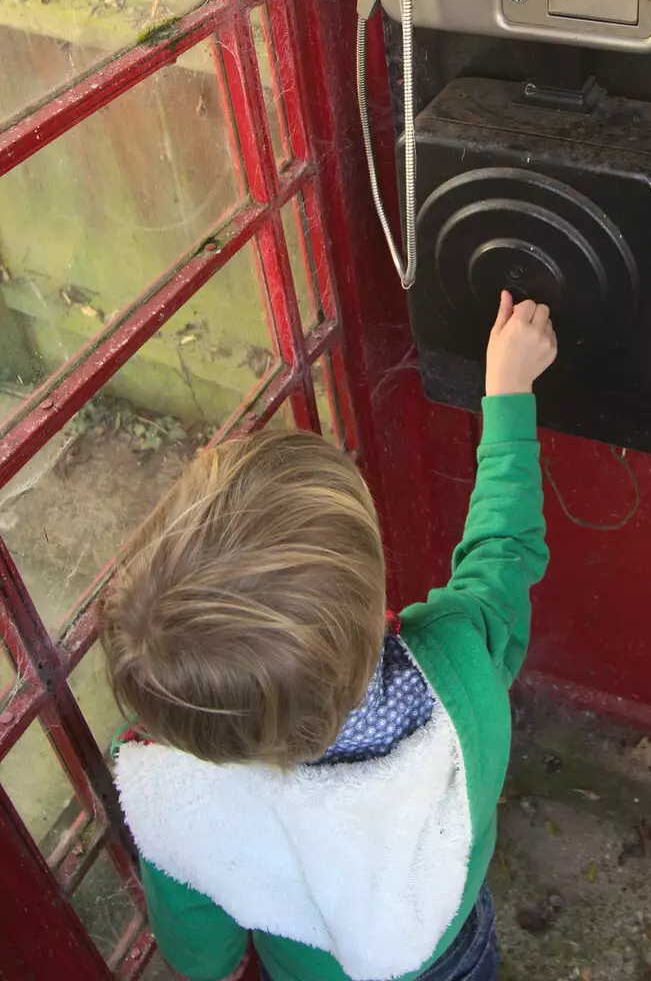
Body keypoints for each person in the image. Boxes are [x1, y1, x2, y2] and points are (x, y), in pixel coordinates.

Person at [101, 291, 557, 981]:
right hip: (448, 947)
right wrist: (508, 391)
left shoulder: (171, 793)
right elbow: (504, 547)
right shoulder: (458, 660)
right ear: (374, 600)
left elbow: (203, 955)